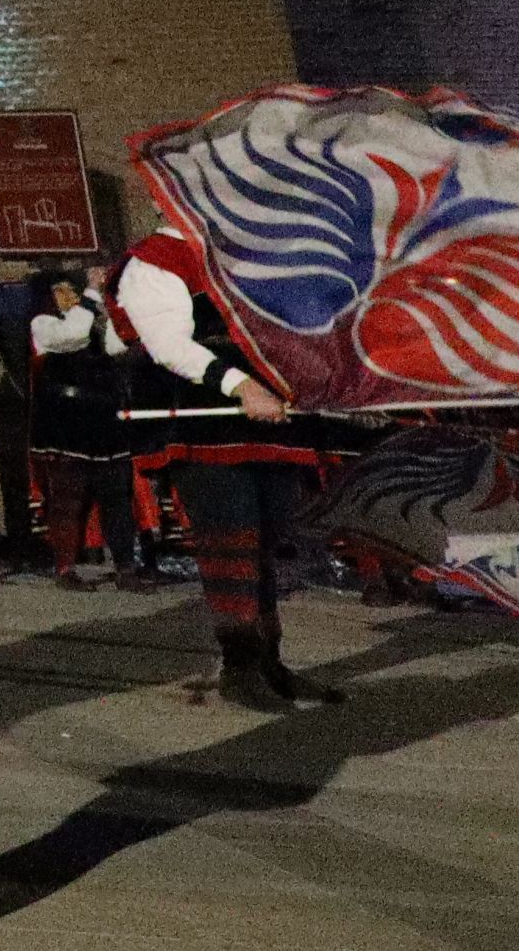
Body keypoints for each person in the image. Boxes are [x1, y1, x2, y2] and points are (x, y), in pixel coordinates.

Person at [114, 224, 342, 706]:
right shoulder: (155, 258)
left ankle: (270, 663)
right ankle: (239, 669)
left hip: (271, 423)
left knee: (264, 543)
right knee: (230, 542)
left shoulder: (252, 248)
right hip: (206, 425)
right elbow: (169, 346)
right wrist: (239, 385)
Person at [26, 265, 146, 591]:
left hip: (103, 421)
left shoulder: (90, 317)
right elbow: (73, 336)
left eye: (72, 290)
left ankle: (125, 567)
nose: (69, 297)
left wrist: (113, 311)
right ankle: (65, 568)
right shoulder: (43, 323)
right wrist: (92, 295)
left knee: (117, 497)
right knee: (68, 498)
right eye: (61, 291)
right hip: (67, 423)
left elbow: (116, 346)